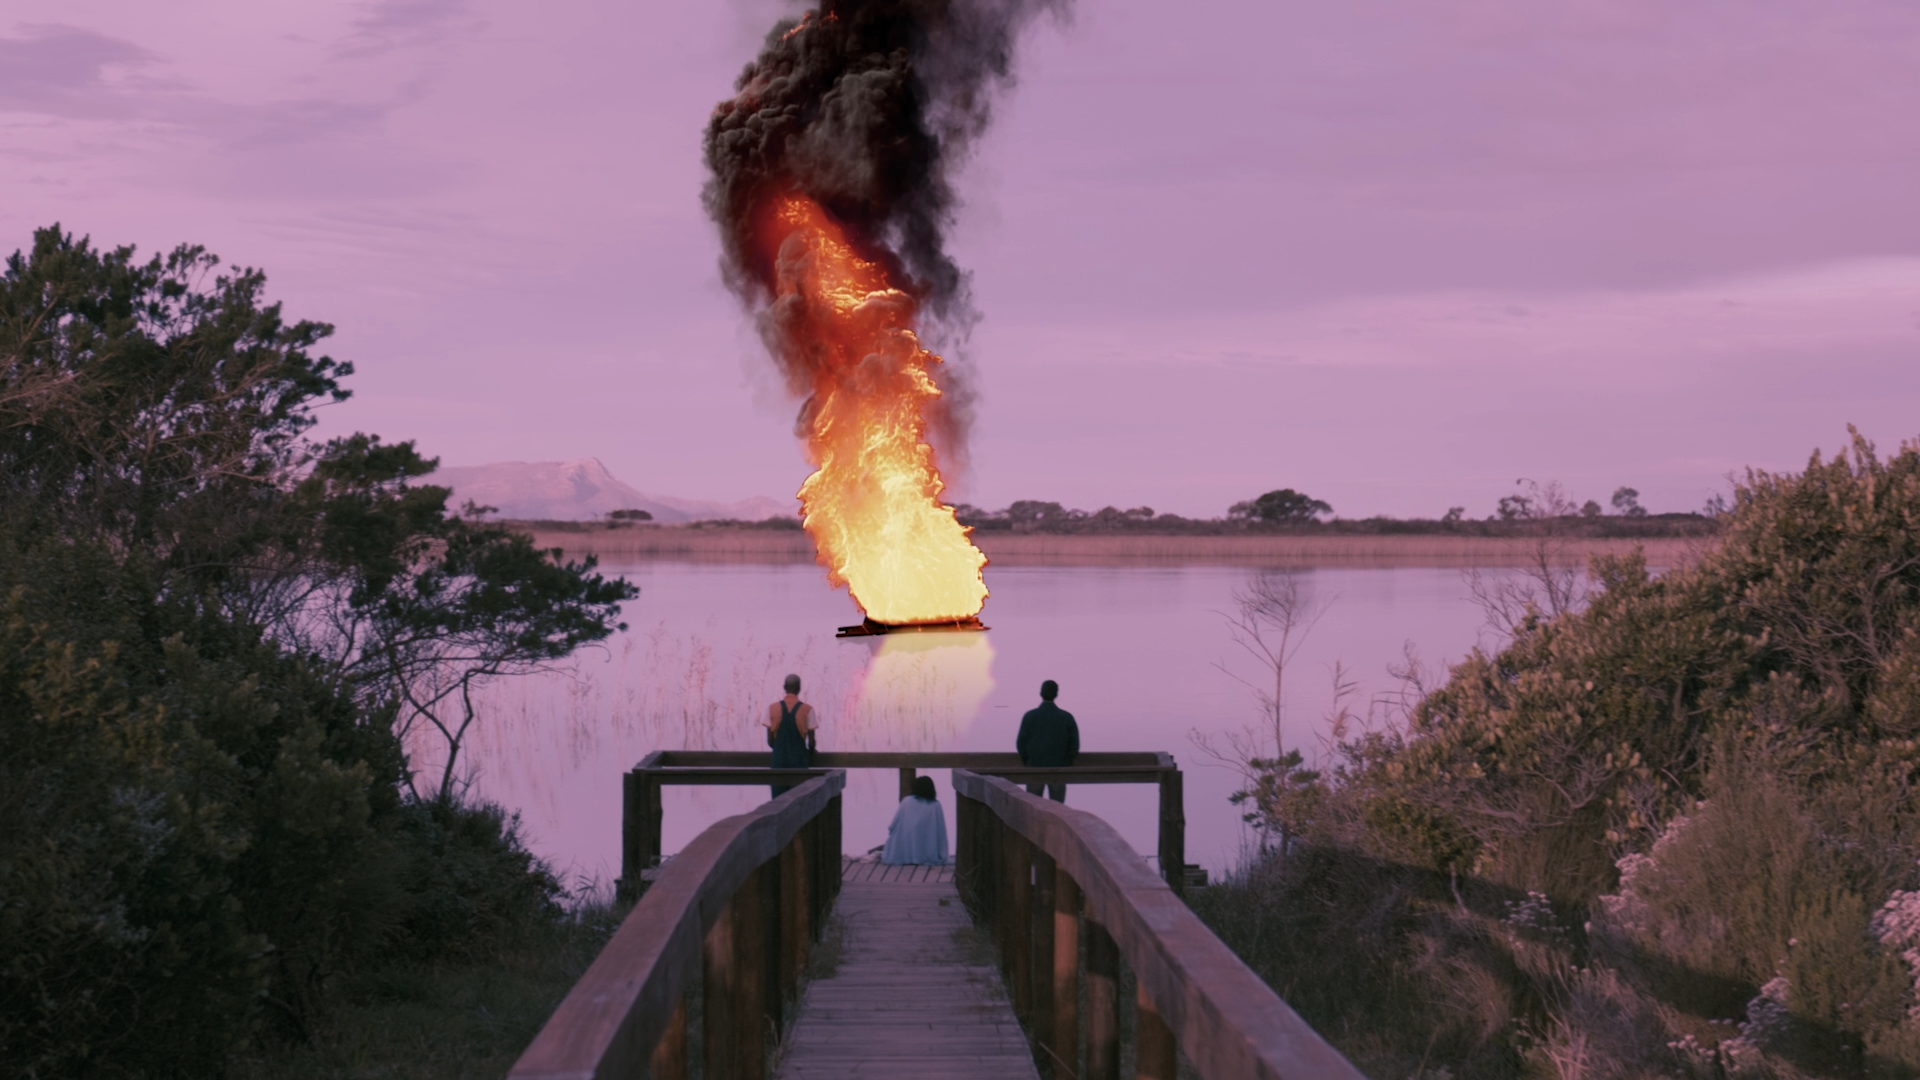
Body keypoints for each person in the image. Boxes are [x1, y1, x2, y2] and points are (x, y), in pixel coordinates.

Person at [1016, 679, 1078, 802]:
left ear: (1041, 693)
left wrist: (1028, 761)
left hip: (1034, 768)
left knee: (1033, 807)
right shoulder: (1066, 718)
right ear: (1056, 694)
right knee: (1058, 810)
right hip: (1059, 769)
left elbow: (1020, 743)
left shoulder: (1030, 717)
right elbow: (1074, 745)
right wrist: (1066, 762)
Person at [766, 673, 816, 797]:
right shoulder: (808, 710)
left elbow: (770, 741)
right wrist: (810, 751)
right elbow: (811, 743)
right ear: (799, 689)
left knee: (778, 803)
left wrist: (780, 750)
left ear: (784, 687)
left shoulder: (772, 708)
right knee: (798, 800)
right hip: (799, 762)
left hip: (778, 762)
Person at [881, 775, 949, 866]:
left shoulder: (906, 801)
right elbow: (941, 831)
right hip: (926, 847)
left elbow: (893, 825)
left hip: (902, 849)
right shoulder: (936, 805)